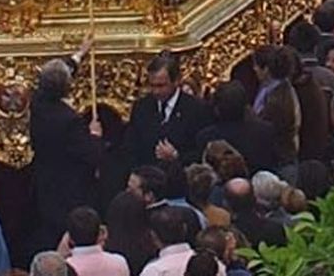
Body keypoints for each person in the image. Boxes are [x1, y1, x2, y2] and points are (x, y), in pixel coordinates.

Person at [30, 56, 106, 250]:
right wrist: (95, 136)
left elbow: (51, 79)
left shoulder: (36, 103)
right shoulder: (69, 120)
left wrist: (77, 56)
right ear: (67, 87)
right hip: (69, 189)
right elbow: (91, 155)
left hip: (43, 183)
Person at [121, 54, 207, 173]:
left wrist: (176, 156)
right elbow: (130, 148)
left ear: (176, 81)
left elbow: (202, 152)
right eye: (152, 85)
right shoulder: (142, 107)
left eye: (161, 86)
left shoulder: (196, 109)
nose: (155, 91)